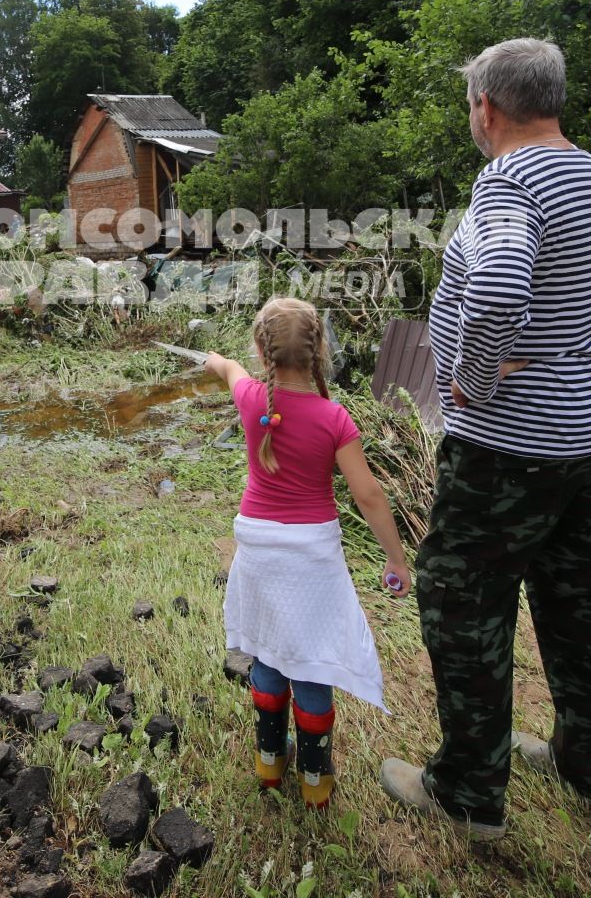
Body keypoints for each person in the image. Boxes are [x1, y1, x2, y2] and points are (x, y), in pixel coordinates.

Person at [379, 36, 591, 840]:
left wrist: (474, 381)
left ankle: (466, 791)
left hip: (511, 446)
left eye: (469, 105)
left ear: (486, 107)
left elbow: (494, 293)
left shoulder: (509, 181)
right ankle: (589, 766)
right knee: (585, 599)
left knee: (461, 599)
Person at [205, 296, 411, 810]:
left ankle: (269, 763)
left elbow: (229, 370)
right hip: (312, 559)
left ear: (261, 349)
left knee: (268, 656)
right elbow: (368, 495)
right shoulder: (334, 417)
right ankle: (316, 780)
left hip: (258, 549)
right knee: (313, 664)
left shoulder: (253, 399)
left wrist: (215, 363)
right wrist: (396, 558)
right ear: (319, 351)